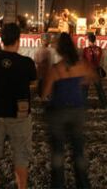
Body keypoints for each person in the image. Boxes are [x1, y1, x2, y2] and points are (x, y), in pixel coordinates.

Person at [0, 23, 36, 189]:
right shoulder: (26, 62)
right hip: (19, 113)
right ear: (18, 40)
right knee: (21, 154)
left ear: (1, 39)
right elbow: (33, 84)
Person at [41, 32, 94, 189]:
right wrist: (80, 82)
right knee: (78, 151)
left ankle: (58, 185)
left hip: (58, 111)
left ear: (60, 50)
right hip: (77, 110)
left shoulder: (56, 69)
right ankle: (83, 184)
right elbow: (93, 77)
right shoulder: (82, 64)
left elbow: (44, 94)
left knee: (58, 152)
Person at [82, 33, 107, 108]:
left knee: (84, 89)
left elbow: (84, 61)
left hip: (88, 71)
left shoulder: (86, 50)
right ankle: (105, 104)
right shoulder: (99, 49)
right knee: (99, 89)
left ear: (89, 40)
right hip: (96, 70)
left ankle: (83, 104)